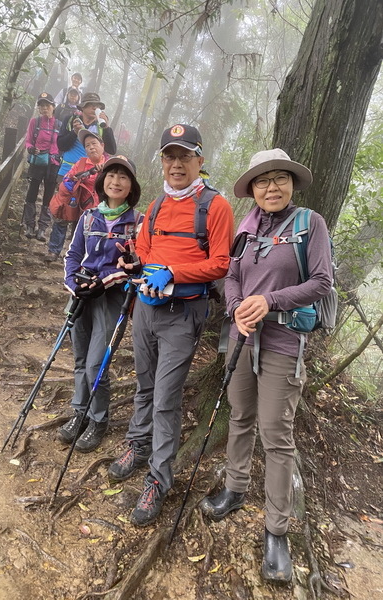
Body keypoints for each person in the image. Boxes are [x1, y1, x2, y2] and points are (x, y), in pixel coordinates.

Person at [199, 149, 333, 583]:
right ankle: (235, 489)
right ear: (252, 189)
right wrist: (237, 306)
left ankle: (277, 530)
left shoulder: (310, 224)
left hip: (283, 341)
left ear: (292, 183)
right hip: (241, 336)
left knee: (276, 435)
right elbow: (231, 275)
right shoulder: (247, 225)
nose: (271, 188)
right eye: (262, 181)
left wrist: (270, 301)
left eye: (279, 179)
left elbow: (322, 281)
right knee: (240, 417)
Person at [107, 124, 234, 527]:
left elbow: (222, 263)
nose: (176, 164)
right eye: (169, 156)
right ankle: (136, 444)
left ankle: (158, 480)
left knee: (165, 396)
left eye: (184, 156)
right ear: (162, 161)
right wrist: (141, 265)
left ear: (200, 160)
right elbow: (144, 247)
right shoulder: (159, 204)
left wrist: (174, 274)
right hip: (145, 307)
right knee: (144, 384)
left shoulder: (216, 206)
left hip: (183, 313)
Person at [58, 156, 144, 452]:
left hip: (113, 299)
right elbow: (72, 255)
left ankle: (98, 420)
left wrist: (103, 281)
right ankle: (79, 413)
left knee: (97, 363)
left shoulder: (138, 223)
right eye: (111, 176)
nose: (116, 182)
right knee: (80, 359)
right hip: (81, 295)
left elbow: (137, 266)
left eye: (123, 177)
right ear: (102, 181)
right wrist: (74, 284)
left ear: (131, 186)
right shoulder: (89, 216)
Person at [45, 131, 110, 262]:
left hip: (98, 207)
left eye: (94, 143)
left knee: (87, 232)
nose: (91, 147)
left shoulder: (110, 165)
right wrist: (69, 183)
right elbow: (67, 179)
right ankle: (54, 250)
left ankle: (84, 259)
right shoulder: (81, 163)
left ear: (102, 146)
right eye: (87, 145)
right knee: (61, 218)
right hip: (77, 203)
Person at [23, 92, 61, 241]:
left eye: (47, 105)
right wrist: (31, 148)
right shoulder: (35, 122)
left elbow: (63, 144)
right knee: (32, 193)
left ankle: (42, 228)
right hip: (38, 161)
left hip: (53, 164)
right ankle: (29, 225)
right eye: (41, 105)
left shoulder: (59, 124)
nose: (44, 108)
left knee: (48, 196)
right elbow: (28, 141)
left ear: (53, 106)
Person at [57, 92, 117, 181]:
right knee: (63, 194)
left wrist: (106, 128)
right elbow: (61, 146)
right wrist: (74, 132)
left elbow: (112, 150)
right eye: (91, 105)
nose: (94, 108)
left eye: (97, 106)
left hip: (90, 175)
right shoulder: (70, 120)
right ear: (82, 107)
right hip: (67, 171)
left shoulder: (101, 126)